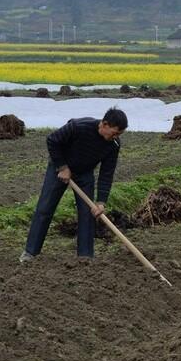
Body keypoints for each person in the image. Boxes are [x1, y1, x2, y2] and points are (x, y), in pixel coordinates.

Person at [21, 108, 127, 262]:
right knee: (45, 209)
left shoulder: (113, 144)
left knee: (88, 213)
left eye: (119, 134)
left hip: (84, 174)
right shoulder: (78, 127)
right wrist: (63, 167)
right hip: (60, 168)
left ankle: (85, 257)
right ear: (104, 124)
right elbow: (52, 140)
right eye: (115, 133)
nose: (116, 137)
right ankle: (30, 252)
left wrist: (101, 202)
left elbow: (106, 173)